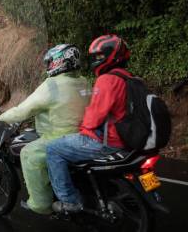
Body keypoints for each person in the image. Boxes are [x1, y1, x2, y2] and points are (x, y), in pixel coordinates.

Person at [0, 44, 89, 215]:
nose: (48, 66)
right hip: (84, 135)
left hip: (59, 136)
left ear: (59, 62)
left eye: (50, 62)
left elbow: (24, 110)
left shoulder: (52, 85)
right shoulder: (83, 81)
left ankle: (41, 204)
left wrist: (1, 118)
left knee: (29, 154)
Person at [46, 34, 131, 213]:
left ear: (111, 56)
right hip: (128, 138)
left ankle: (70, 201)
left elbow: (95, 114)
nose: (96, 60)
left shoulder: (107, 80)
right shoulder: (130, 78)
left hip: (110, 141)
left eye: (99, 56)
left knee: (53, 149)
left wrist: (84, 130)